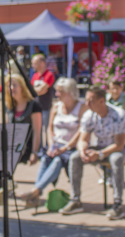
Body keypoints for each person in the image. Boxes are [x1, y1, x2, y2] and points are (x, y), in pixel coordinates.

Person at [60, 86, 125, 220]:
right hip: (101, 147)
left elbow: (119, 145)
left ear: (102, 101)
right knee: (75, 157)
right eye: (86, 100)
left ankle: (118, 204)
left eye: (91, 101)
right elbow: (83, 139)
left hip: (121, 149)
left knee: (116, 159)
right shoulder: (89, 115)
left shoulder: (118, 114)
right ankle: (75, 200)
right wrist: (82, 150)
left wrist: (99, 155)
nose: (87, 104)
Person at [20, 77, 87, 208]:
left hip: (71, 147)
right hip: (56, 145)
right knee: (46, 159)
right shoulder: (56, 106)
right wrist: (51, 145)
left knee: (57, 160)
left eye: (60, 92)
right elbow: (49, 128)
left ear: (69, 93)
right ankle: (36, 193)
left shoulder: (81, 107)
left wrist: (66, 147)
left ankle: (35, 192)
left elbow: (81, 130)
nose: (56, 95)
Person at [0, 73, 43, 208]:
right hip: (12, 143)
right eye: (8, 86)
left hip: (26, 146)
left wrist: (35, 152)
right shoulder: (9, 106)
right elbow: (6, 128)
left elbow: (37, 131)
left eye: (14, 85)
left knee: (5, 157)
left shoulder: (33, 105)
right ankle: (0, 188)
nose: (11, 88)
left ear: (22, 87)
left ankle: (2, 190)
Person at [31, 54, 56, 144]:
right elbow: (32, 91)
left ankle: (48, 147)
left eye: (34, 63)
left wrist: (36, 90)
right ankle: (40, 148)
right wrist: (38, 90)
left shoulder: (49, 75)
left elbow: (43, 90)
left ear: (42, 63)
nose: (32, 66)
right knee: (37, 130)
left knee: (47, 129)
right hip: (36, 107)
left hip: (46, 107)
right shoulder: (35, 75)